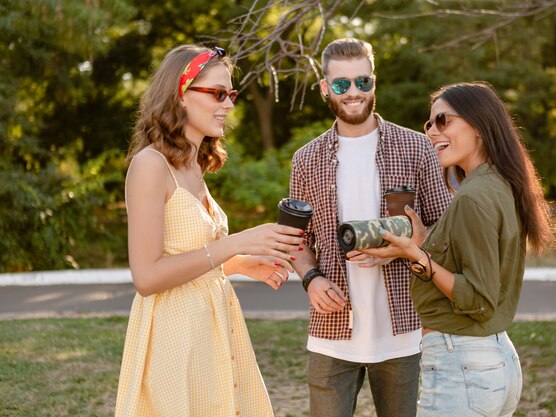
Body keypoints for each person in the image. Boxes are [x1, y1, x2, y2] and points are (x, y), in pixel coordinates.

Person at [115, 44, 304, 417]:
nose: (229, 104)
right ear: (181, 95)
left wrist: (240, 263)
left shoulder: (193, 165)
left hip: (213, 329)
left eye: (230, 94)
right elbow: (147, 276)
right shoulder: (149, 166)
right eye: (218, 93)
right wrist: (234, 244)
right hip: (173, 338)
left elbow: (189, 261)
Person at [362, 81, 556, 416]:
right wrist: (422, 242)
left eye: (443, 121)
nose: (432, 133)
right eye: (428, 124)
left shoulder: (472, 196)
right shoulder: (499, 183)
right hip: (494, 361)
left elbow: (478, 300)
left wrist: (416, 256)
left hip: (463, 363)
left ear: (479, 125)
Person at [289, 38, 452, 417]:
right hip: (331, 334)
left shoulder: (416, 148)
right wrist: (311, 278)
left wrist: (404, 246)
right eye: (342, 84)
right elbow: (296, 239)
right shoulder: (306, 160)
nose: (354, 93)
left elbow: (445, 231)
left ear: (374, 83)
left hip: (402, 330)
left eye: (362, 82)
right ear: (325, 88)